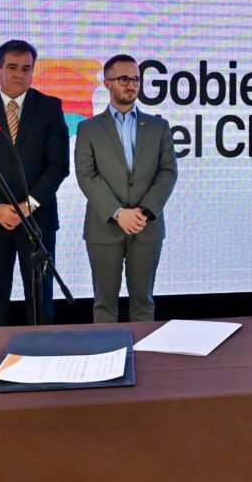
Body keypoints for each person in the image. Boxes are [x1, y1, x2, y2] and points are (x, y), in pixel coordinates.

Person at [0, 40, 68, 349]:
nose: (19, 74)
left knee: (39, 296)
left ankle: (43, 354)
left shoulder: (50, 107)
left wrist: (28, 205)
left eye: (26, 68)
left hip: (37, 220)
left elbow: (58, 165)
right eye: (12, 67)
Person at [75, 54, 178, 323]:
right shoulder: (88, 128)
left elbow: (167, 172)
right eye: (123, 79)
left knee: (143, 303)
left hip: (146, 225)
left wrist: (144, 211)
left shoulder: (158, 127)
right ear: (107, 83)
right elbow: (86, 175)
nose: (131, 85)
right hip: (104, 227)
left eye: (135, 79)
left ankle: (143, 351)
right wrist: (119, 213)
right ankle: (106, 351)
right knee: (104, 305)